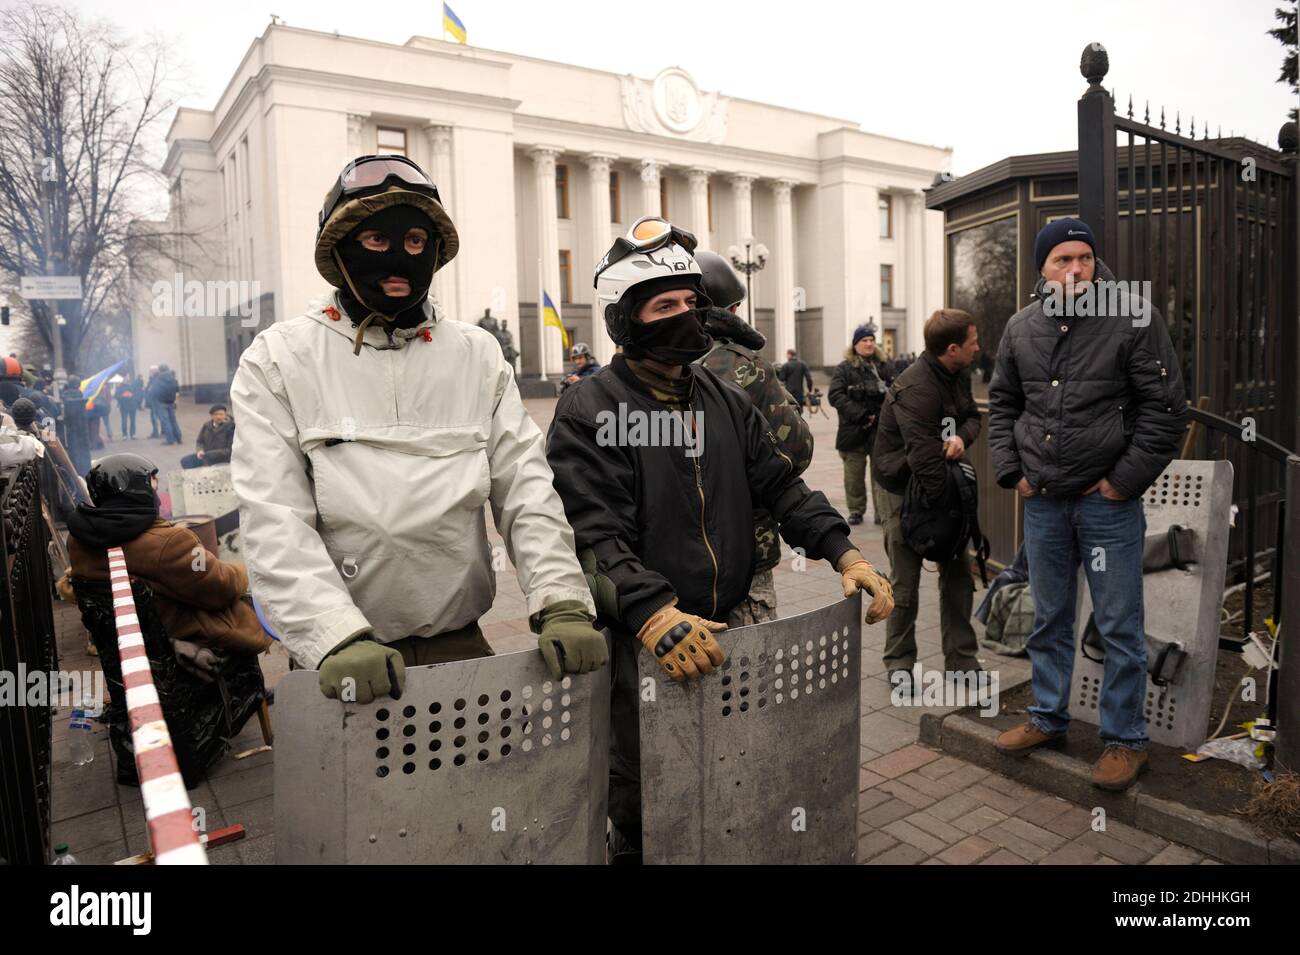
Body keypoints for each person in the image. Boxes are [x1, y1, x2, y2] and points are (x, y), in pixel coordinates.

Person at [545, 216, 894, 862]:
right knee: (644, 803)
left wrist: (843, 550)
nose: (683, 314)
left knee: (734, 782)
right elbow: (594, 536)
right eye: (663, 305)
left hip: (731, 634)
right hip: (644, 647)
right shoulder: (591, 410)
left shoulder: (722, 399)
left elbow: (783, 485)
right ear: (626, 319)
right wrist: (652, 614)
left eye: (689, 301)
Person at [231, 154, 606, 703]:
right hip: (341, 663)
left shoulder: (477, 355)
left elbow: (526, 487)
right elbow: (272, 514)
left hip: (458, 646)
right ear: (338, 250)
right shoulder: (280, 358)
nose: (398, 261)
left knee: (480, 785)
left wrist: (562, 599)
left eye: (414, 243)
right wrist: (333, 636)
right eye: (376, 243)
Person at [988, 218, 1187, 791]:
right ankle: (1049, 717)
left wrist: (1122, 482)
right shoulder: (1021, 327)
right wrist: (1012, 471)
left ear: (1095, 262)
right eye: (1061, 260)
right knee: (1049, 617)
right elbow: (1003, 404)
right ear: (1042, 269)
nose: (1074, 269)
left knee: (1120, 623)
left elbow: (1166, 409)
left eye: (1083, 258)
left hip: (1107, 506)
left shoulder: (1133, 318)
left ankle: (1125, 741)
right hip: (1045, 504)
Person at [63, 453, 269, 679]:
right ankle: (249, 687)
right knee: (252, 602)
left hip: (130, 642)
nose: (158, 497)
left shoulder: (78, 540)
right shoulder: (169, 543)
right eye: (152, 488)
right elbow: (220, 587)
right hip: (185, 637)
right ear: (137, 493)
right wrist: (243, 571)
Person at [695, 247, 813, 625]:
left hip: (675, 555)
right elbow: (797, 449)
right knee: (748, 674)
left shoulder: (656, 366)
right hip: (745, 546)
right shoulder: (746, 368)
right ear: (731, 311)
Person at [870, 309, 983, 692]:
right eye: (973, 342)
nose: (978, 348)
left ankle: (962, 659)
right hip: (901, 490)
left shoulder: (957, 374)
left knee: (958, 575)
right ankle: (900, 663)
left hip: (940, 484)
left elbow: (972, 417)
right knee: (905, 582)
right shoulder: (916, 388)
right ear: (952, 349)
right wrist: (945, 517)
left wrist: (961, 439)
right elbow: (921, 457)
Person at [829, 324, 891, 525]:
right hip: (853, 429)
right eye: (864, 340)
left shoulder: (884, 366)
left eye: (872, 340)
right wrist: (862, 415)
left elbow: (896, 394)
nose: (869, 344)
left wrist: (879, 416)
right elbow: (835, 395)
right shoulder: (844, 368)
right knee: (854, 475)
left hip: (879, 430)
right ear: (855, 344)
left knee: (880, 473)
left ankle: (881, 512)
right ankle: (856, 510)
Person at [181, 404, 235, 469]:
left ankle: (206, 477)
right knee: (186, 461)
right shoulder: (207, 425)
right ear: (211, 416)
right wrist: (200, 450)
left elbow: (230, 450)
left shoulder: (231, 427)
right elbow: (200, 441)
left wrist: (211, 454)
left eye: (221, 414)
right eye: (216, 414)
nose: (218, 417)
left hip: (222, 458)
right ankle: (192, 478)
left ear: (225, 415)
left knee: (206, 461)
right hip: (206, 455)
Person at [148, 365, 181, 445]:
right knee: (173, 421)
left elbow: (153, 391)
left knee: (165, 422)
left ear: (160, 370)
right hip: (171, 402)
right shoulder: (172, 378)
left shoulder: (158, 379)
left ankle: (170, 440)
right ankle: (178, 438)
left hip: (161, 402)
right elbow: (177, 389)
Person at [777, 348, 814, 415]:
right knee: (799, 410)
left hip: (789, 392)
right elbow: (809, 378)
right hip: (799, 392)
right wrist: (810, 389)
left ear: (789, 355)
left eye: (787, 355)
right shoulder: (802, 364)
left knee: (790, 411)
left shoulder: (786, 365)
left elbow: (781, 379)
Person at [145, 365, 161, 438]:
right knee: (153, 418)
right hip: (152, 402)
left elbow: (153, 390)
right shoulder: (152, 379)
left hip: (156, 402)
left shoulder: (156, 379)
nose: (149, 373)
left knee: (156, 417)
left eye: (150, 371)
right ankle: (155, 432)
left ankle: (157, 432)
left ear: (154, 372)